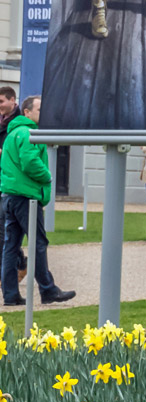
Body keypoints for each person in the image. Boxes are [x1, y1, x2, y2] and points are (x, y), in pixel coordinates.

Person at [2, 96, 75, 305]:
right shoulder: (27, 133)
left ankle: (10, 295)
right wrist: (48, 176)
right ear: (26, 112)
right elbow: (30, 162)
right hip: (25, 197)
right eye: (40, 109)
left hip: (10, 196)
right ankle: (48, 289)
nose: (44, 113)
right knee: (38, 243)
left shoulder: (13, 133)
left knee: (11, 246)